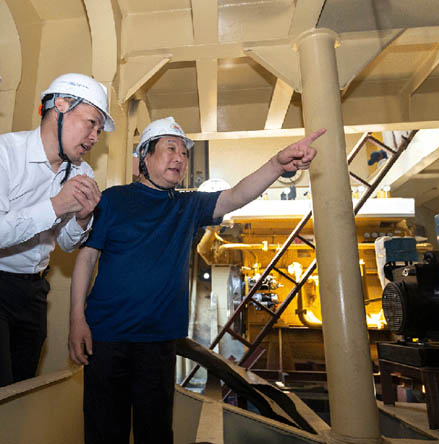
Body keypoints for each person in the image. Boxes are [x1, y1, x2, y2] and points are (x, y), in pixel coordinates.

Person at [68, 116, 324, 444]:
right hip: (105, 337)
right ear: (145, 155)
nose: (179, 158)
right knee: (104, 433)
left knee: (155, 434)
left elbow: (236, 195)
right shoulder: (113, 200)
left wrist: (277, 164)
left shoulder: (188, 205)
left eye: (184, 153)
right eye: (170, 148)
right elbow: (86, 257)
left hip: (159, 341)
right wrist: (77, 319)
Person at [0, 73, 113, 387]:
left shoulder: (82, 171)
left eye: (99, 130)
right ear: (60, 105)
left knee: (21, 388)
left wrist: (82, 220)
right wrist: (56, 206)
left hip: (34, 292)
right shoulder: (5, 153)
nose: (94, 137)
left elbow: (65, 243)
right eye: (91, 123)